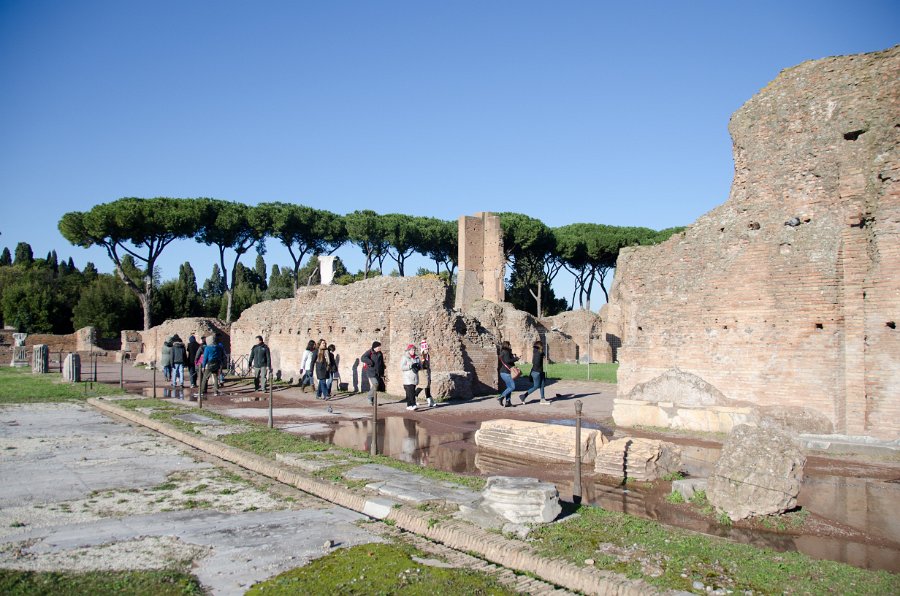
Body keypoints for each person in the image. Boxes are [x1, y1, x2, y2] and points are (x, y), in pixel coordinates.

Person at [519, 340, 549, 405]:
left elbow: (542, 355)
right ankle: (523, 396)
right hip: (537, 372)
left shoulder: (537, 352)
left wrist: (543, 355)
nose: (543, 346)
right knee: (536, 386)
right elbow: (536, 363)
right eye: (542, 345)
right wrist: (539, 370)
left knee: (542, 385)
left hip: (539, 371)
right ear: (540, 346)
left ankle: (542, 399)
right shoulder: (538, 353)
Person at [361, 341, 385, 406]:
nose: (380, 347)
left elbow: (382, 363)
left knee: (376, 386)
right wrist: (370, 362)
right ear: (375, 347)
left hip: (378, 372)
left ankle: (373, 401)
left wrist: (382, 372)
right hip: (371, 372)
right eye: (379, 346)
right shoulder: (370, 352)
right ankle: (369, 396)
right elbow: (363, 358)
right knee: (375, 384)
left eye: (380, 346)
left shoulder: (380, 353)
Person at [497, 340, 518, 407]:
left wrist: (513, 357)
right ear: (507, 345)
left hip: (504, 372)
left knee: (509, 387)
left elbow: (507, 360)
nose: (510, 346)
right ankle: (501, 397)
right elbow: (508, 361)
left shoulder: (503, 352)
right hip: (506, 372)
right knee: (512, 387)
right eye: (509, 345)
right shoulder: (506, 352)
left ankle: (508, 402)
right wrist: (516, 359)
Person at [400, 343, 420, 411]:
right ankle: (413, 404)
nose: (413, 351)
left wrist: (419, 366)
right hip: (408, 377)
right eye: (411, 350)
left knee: (410, 392)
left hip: (414, 376)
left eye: (414, 350)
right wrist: (410, 366)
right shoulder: (405, 357)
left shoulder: (417, 357)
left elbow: (420, 365)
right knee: (411, 392)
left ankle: (409, 405)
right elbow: (402, 367)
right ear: (408, 350)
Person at [417, 338, 434, 408]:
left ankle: (430, 402)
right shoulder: (421, 356)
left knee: (427, 386)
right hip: (423, 373)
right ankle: (414, 397)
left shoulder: (427, 356)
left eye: (427, 349)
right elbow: (421, 366)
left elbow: (428, 365)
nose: (427, 350)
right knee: (422, 386)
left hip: (427, 372)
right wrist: (423, 363)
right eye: (426, 349)